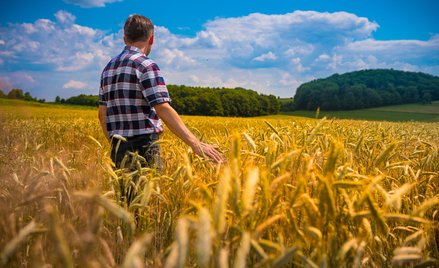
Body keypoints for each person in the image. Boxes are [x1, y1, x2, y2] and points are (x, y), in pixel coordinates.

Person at [98, 14, 223, 172]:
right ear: (151, 39)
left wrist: (115, 145)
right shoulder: (146, 65)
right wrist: (195, 143)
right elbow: (162, 107)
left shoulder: (108, 69)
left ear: (125, 39)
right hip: (144, 147)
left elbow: (102, 114)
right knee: (149, 194)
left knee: (125, 196)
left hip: (117, 146)